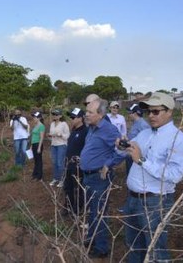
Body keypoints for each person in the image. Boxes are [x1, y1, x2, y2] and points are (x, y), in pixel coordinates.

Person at [116, 92, 183, 262]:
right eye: (149, 112)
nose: (150, 116)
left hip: (155, 202)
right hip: (133, 199)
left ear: (169, 111)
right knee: (134, 245)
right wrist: (122, 146)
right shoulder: (145, 133)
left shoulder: (178, 140)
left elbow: (175, 175)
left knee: (156, 249)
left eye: (155, 112)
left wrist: (142, 160)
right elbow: (130, 150)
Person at [80, 99, 124, 258]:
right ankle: (91, 239)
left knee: (99, 213)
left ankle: (101, 247)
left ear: (101, 114)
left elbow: (123, 149)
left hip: (99, 178)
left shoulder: (109, 130)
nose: (86, 115)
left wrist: (108, 164)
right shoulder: (92, 127)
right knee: (92, 211)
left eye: (90, 112)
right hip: (88, 176)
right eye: (86, 111)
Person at [62, 107, 88, 216]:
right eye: (71, 116)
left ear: (81, 118)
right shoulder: (74, 130)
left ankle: (78, 210)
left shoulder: (85, 132)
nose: (71, 118)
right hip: (68, 164)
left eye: (74, 117)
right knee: (67, 187)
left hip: (78, 166)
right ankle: (68, 206)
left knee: (78, 189)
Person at [124, 103, 150, 173]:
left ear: (135, 113)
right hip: (132, 152)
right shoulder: (135, 123)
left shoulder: (143, 124)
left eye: (130, 112)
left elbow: (147, 141)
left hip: (137, 154)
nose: (128, 114)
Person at [48, 108, 70, 187]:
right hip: (53, 145)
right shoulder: (52, 124)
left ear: (60, 115)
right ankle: (55, 178)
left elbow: (67, 136)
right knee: (54, 163)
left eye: (56, 114)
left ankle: (62, 179)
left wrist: (61, 135)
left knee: (60, 163)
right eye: (53, 114)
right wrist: (50, 135)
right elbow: (51, 135)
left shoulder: (63, 124)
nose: (54, 116)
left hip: (61, 145)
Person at [30, 111, 45, 181]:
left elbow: (41, 137)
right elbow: (33, 136)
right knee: (35, 160)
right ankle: (35, 174)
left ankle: (39, 176)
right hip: (34, 144)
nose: (34, 118)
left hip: (38, 144)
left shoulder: (41, 126)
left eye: (35, 117)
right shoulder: (35, 125)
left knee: (39, 160)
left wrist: (39, 147)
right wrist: (31, 145)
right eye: (33, 117)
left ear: (39, 118)